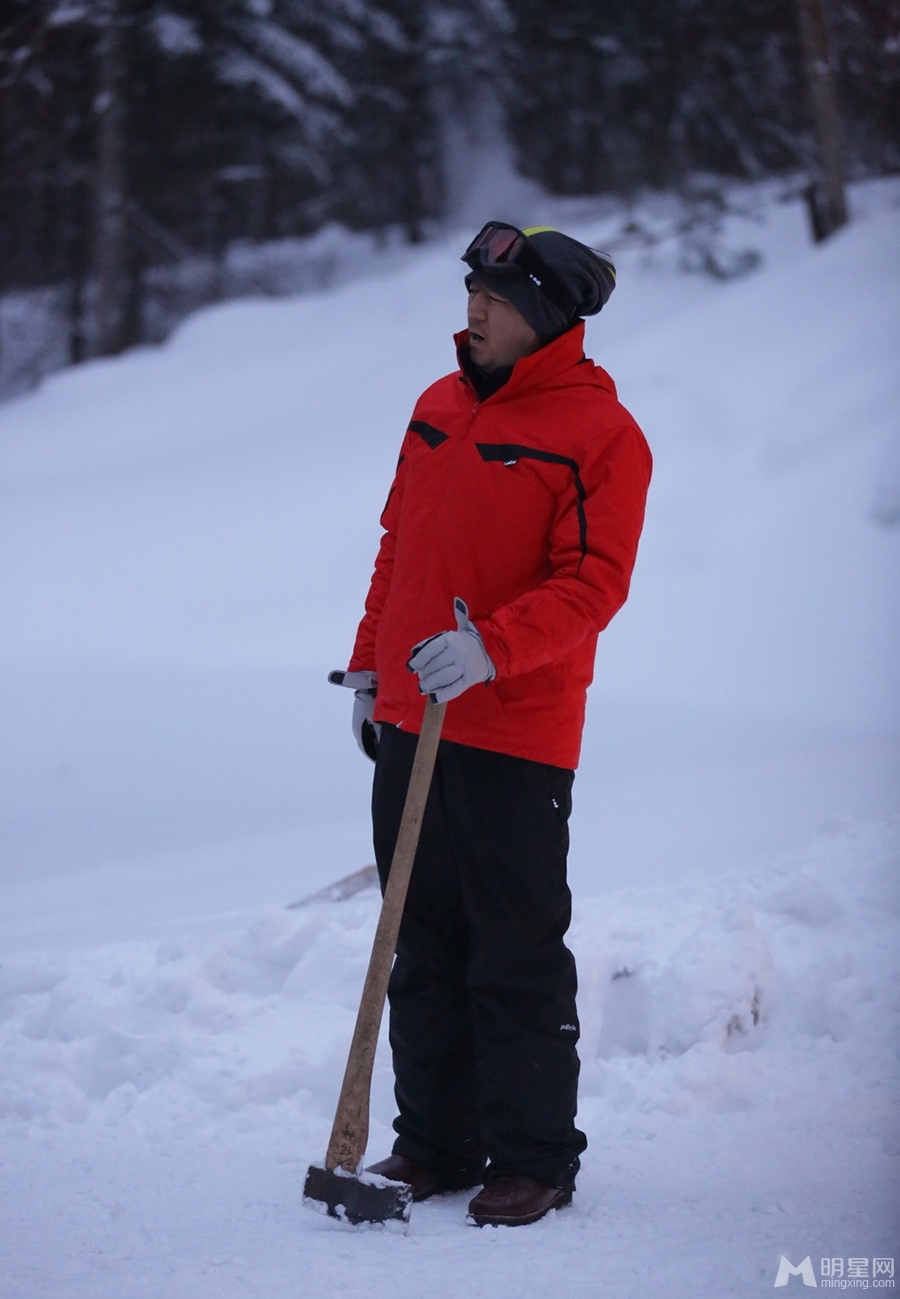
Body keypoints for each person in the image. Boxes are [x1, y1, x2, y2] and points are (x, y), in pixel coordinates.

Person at [330, 222, 652, 1227]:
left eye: (497, 298)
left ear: (549, 316)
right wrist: (373, 662)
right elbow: (401, 545)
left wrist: (492, 649)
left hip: (514, 727)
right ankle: (434, 1143)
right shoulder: (436, 407)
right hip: (412, 714)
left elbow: (595, 584)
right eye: (473, 288)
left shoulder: (603, 435)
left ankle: (534, 1157)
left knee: (513, 946)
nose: (473, 309)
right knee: (418, 940)